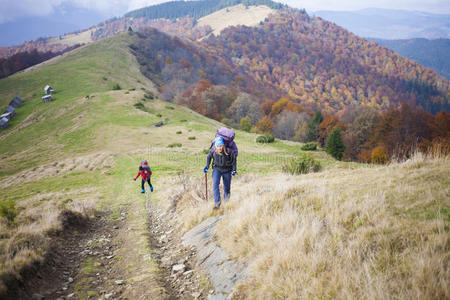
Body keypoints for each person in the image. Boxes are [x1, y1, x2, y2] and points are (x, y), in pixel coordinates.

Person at [204, 136, 237, 209]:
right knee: (215, 185)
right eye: (218, 146)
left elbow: (234, 160)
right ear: (215, 146)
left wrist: (234, 170)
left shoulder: (229, 151)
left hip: (227, 170)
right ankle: (217, 204)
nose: (219, 148)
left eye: (221, 146)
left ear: (223, 145)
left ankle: (226, 204)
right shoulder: (212, 150)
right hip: (217, 169)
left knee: (227, 188)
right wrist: (207, 166)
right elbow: (208, 157)